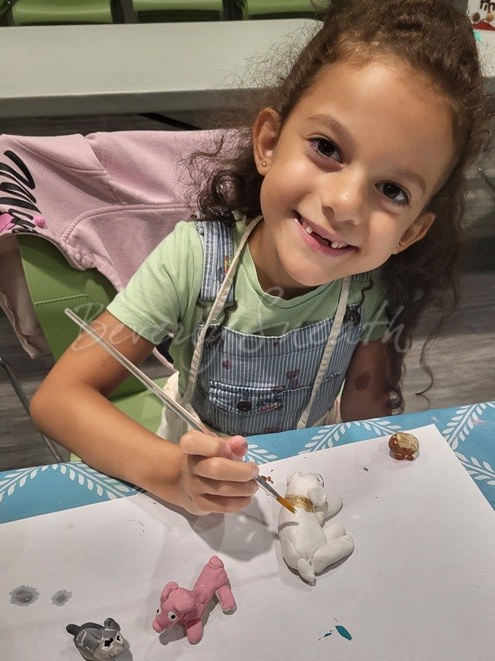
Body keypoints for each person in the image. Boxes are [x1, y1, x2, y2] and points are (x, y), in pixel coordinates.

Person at [31, 0, 488, 516]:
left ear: (410, 233)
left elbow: (366, 418)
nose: (345, 204)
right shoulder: (193, 260)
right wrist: (174, 475)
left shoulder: (369, 289)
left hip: (299, 479)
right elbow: (59, 399)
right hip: (189, 479)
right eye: (328, 148)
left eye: (392, 190)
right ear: (269, 143)